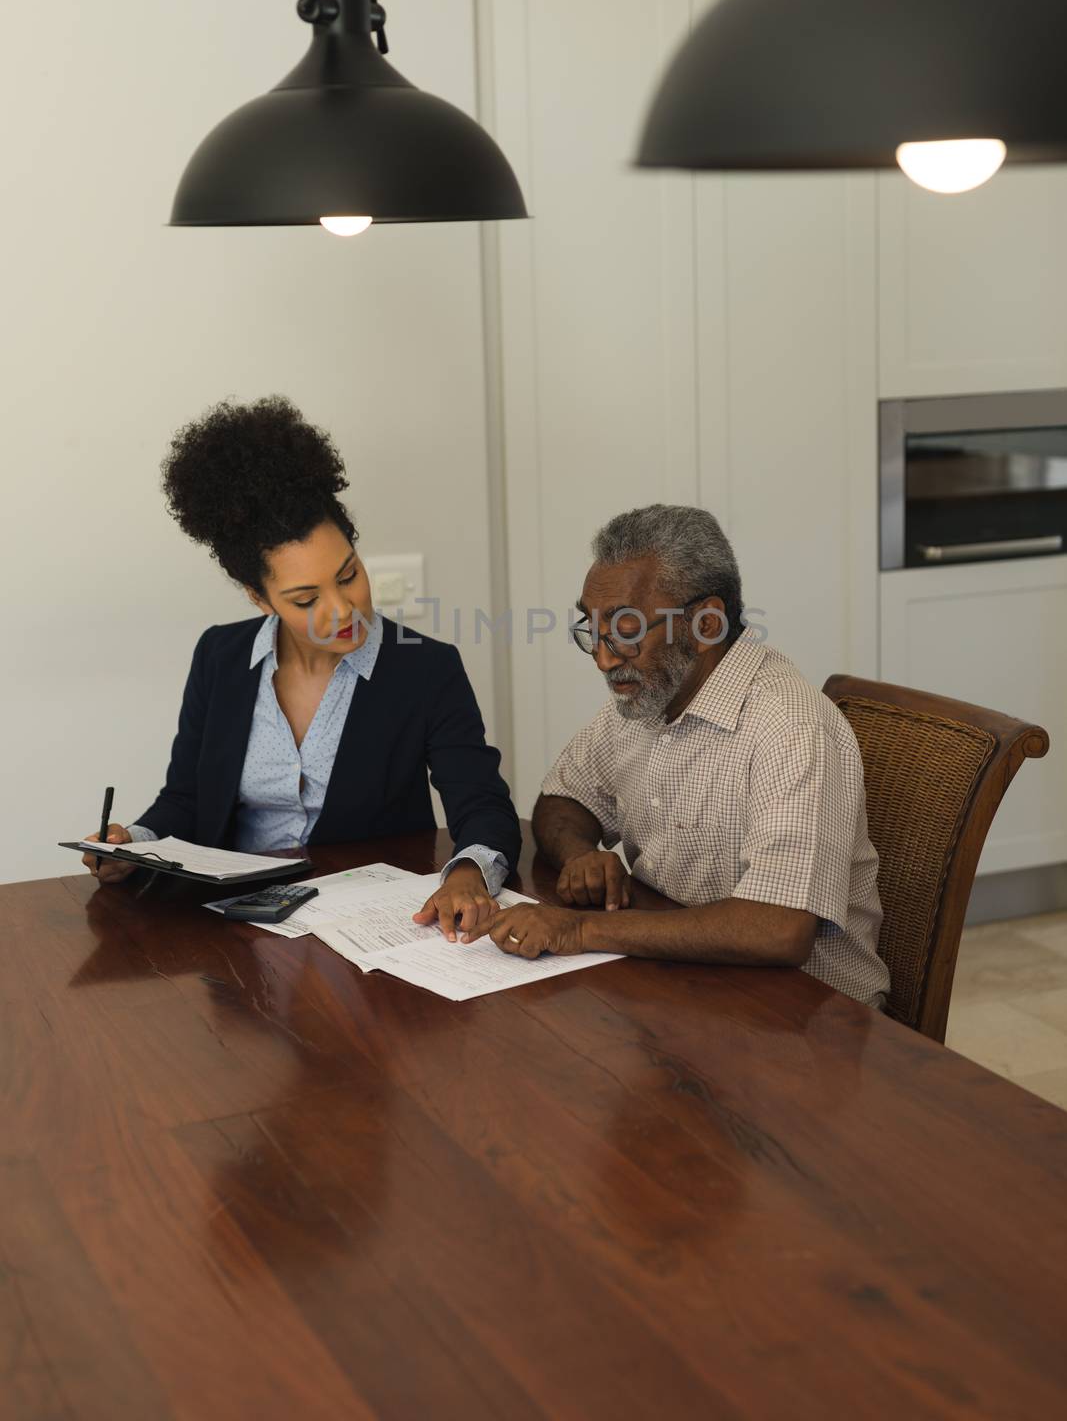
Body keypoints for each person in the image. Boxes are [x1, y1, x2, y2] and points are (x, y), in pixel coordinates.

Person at [81, 396, 520, 939]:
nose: (343, 609)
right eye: (306, 598)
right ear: (258, 597)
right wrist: (136, 846)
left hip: (370, 929)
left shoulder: (426, 669)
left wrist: (469, 873)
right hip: (233, 928)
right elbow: (187, 799)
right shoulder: (219, 657)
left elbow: (482, 805)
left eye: (349, 574)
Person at [467, 504, 890, 1008]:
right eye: (592, 629)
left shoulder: (791, 727)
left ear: (706, 623)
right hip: (686, 985)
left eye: (625, 630)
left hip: (805, 1017)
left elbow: (779, 928)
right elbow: (563, 797)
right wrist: (582, 854)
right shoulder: (648, 695)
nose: (603, 659)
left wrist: (582, 929)